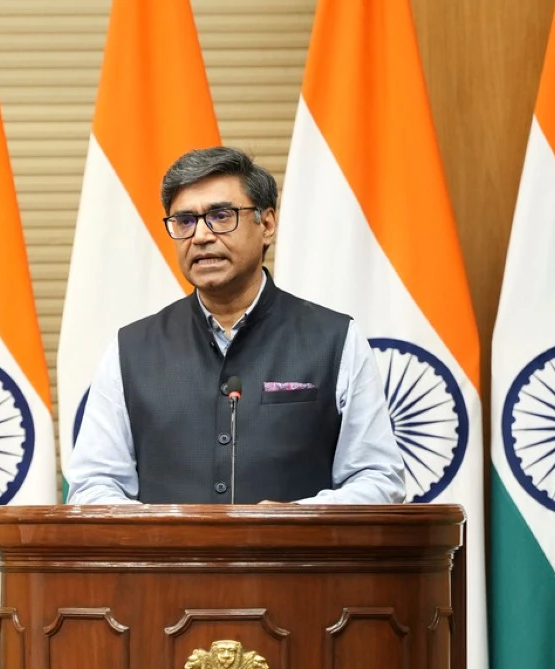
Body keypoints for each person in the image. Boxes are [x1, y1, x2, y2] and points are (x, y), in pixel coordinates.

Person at [66, 146, 405, 505]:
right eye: (184, 221)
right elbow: (92, 485)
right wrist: (160, 534)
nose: (200, 236)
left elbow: (378, 477)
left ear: (267, 225)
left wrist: (298, 519)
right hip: (171, 561)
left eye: (221, 216)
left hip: (294, 560)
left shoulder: (336, 340)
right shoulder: (131, 349)